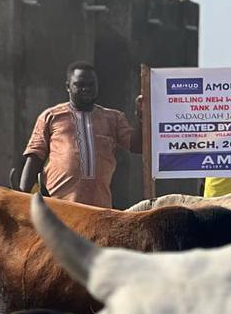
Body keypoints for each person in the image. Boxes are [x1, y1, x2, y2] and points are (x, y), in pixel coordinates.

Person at [20, 61, 142, 208]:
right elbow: (34, 157)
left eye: (91, 85)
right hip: (59, 207)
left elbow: (136, 146)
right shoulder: (51, 116)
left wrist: (141, 116)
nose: (86, 89)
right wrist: (20, 198)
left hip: (99, 208)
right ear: (68, 87)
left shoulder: (113, 118)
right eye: (80, 84)